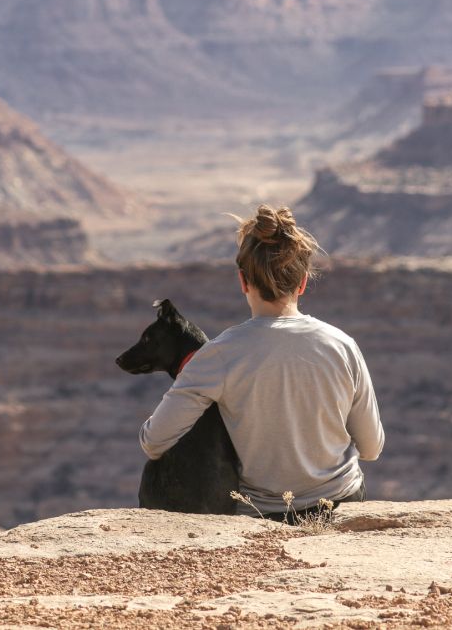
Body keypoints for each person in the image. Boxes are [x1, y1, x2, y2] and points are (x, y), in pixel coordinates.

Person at [139, 204, 384, 522]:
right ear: (303, 283)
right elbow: (371, 448)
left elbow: (153, 442)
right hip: (340, 505)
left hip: (264, 515)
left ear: (243, 281)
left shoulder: (218, 355)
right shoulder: (342, 345)